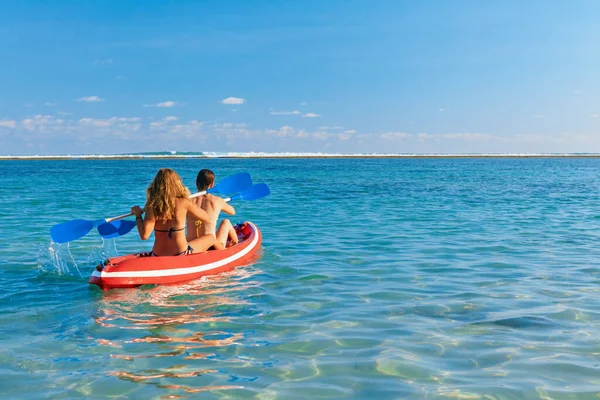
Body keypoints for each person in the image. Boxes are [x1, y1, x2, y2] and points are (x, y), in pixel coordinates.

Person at [131, 168, 225, 256]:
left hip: (157, 254)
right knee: (210, 238)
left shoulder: (151, 205)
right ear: (177, 184)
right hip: (181, 253)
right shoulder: (184, 202)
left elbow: (144, 236)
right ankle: (225, 254)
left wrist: (138, 215)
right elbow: (206, 217)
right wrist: (188, 201)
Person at [186, 169, 238, 248]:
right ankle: (236, 245)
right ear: (212, 185)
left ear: (196, 182)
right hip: (212, 246)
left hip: (192, 245)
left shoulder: (187, 201)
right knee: (226, 222)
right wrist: (221, 204)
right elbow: (233, 212)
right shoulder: (217, 200)